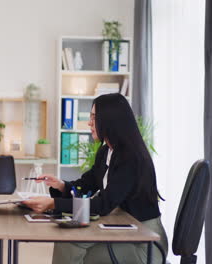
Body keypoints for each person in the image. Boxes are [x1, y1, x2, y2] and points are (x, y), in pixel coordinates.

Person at [22, 93, 168, 264]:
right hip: (124, 228)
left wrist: (54, 203)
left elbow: (104, 204)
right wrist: (61, 185)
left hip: (145, 243)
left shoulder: (131, 158)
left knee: (71, 248)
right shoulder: (106, 151)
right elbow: (87, 184)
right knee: (69, 243)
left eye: (94, 118)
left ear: (109, 120)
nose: (89, 123)